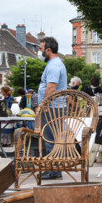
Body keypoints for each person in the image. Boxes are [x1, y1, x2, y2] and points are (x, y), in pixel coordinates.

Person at [37, 37, 67, 180]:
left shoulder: (53, 66)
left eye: (41, 49)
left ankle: (53, 170)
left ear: (48, 50)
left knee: (49, 138)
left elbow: (51, 87)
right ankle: (54, 168)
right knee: (52, 137)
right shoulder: (56, 63)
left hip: (52, 107)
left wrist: (43, 104)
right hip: (55, 106)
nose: (39, 51)